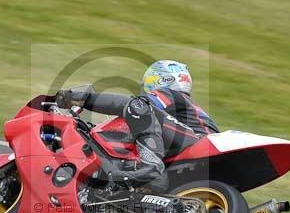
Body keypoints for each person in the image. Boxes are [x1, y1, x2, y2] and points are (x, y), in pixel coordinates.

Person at [56, 60, 219, 191]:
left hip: (195, 144)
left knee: (137, 106)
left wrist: (82, 99)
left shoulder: (171, 94)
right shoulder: (189, 108)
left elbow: (132, 105)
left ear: (159, 79)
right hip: (196, 163)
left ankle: (150, 165)